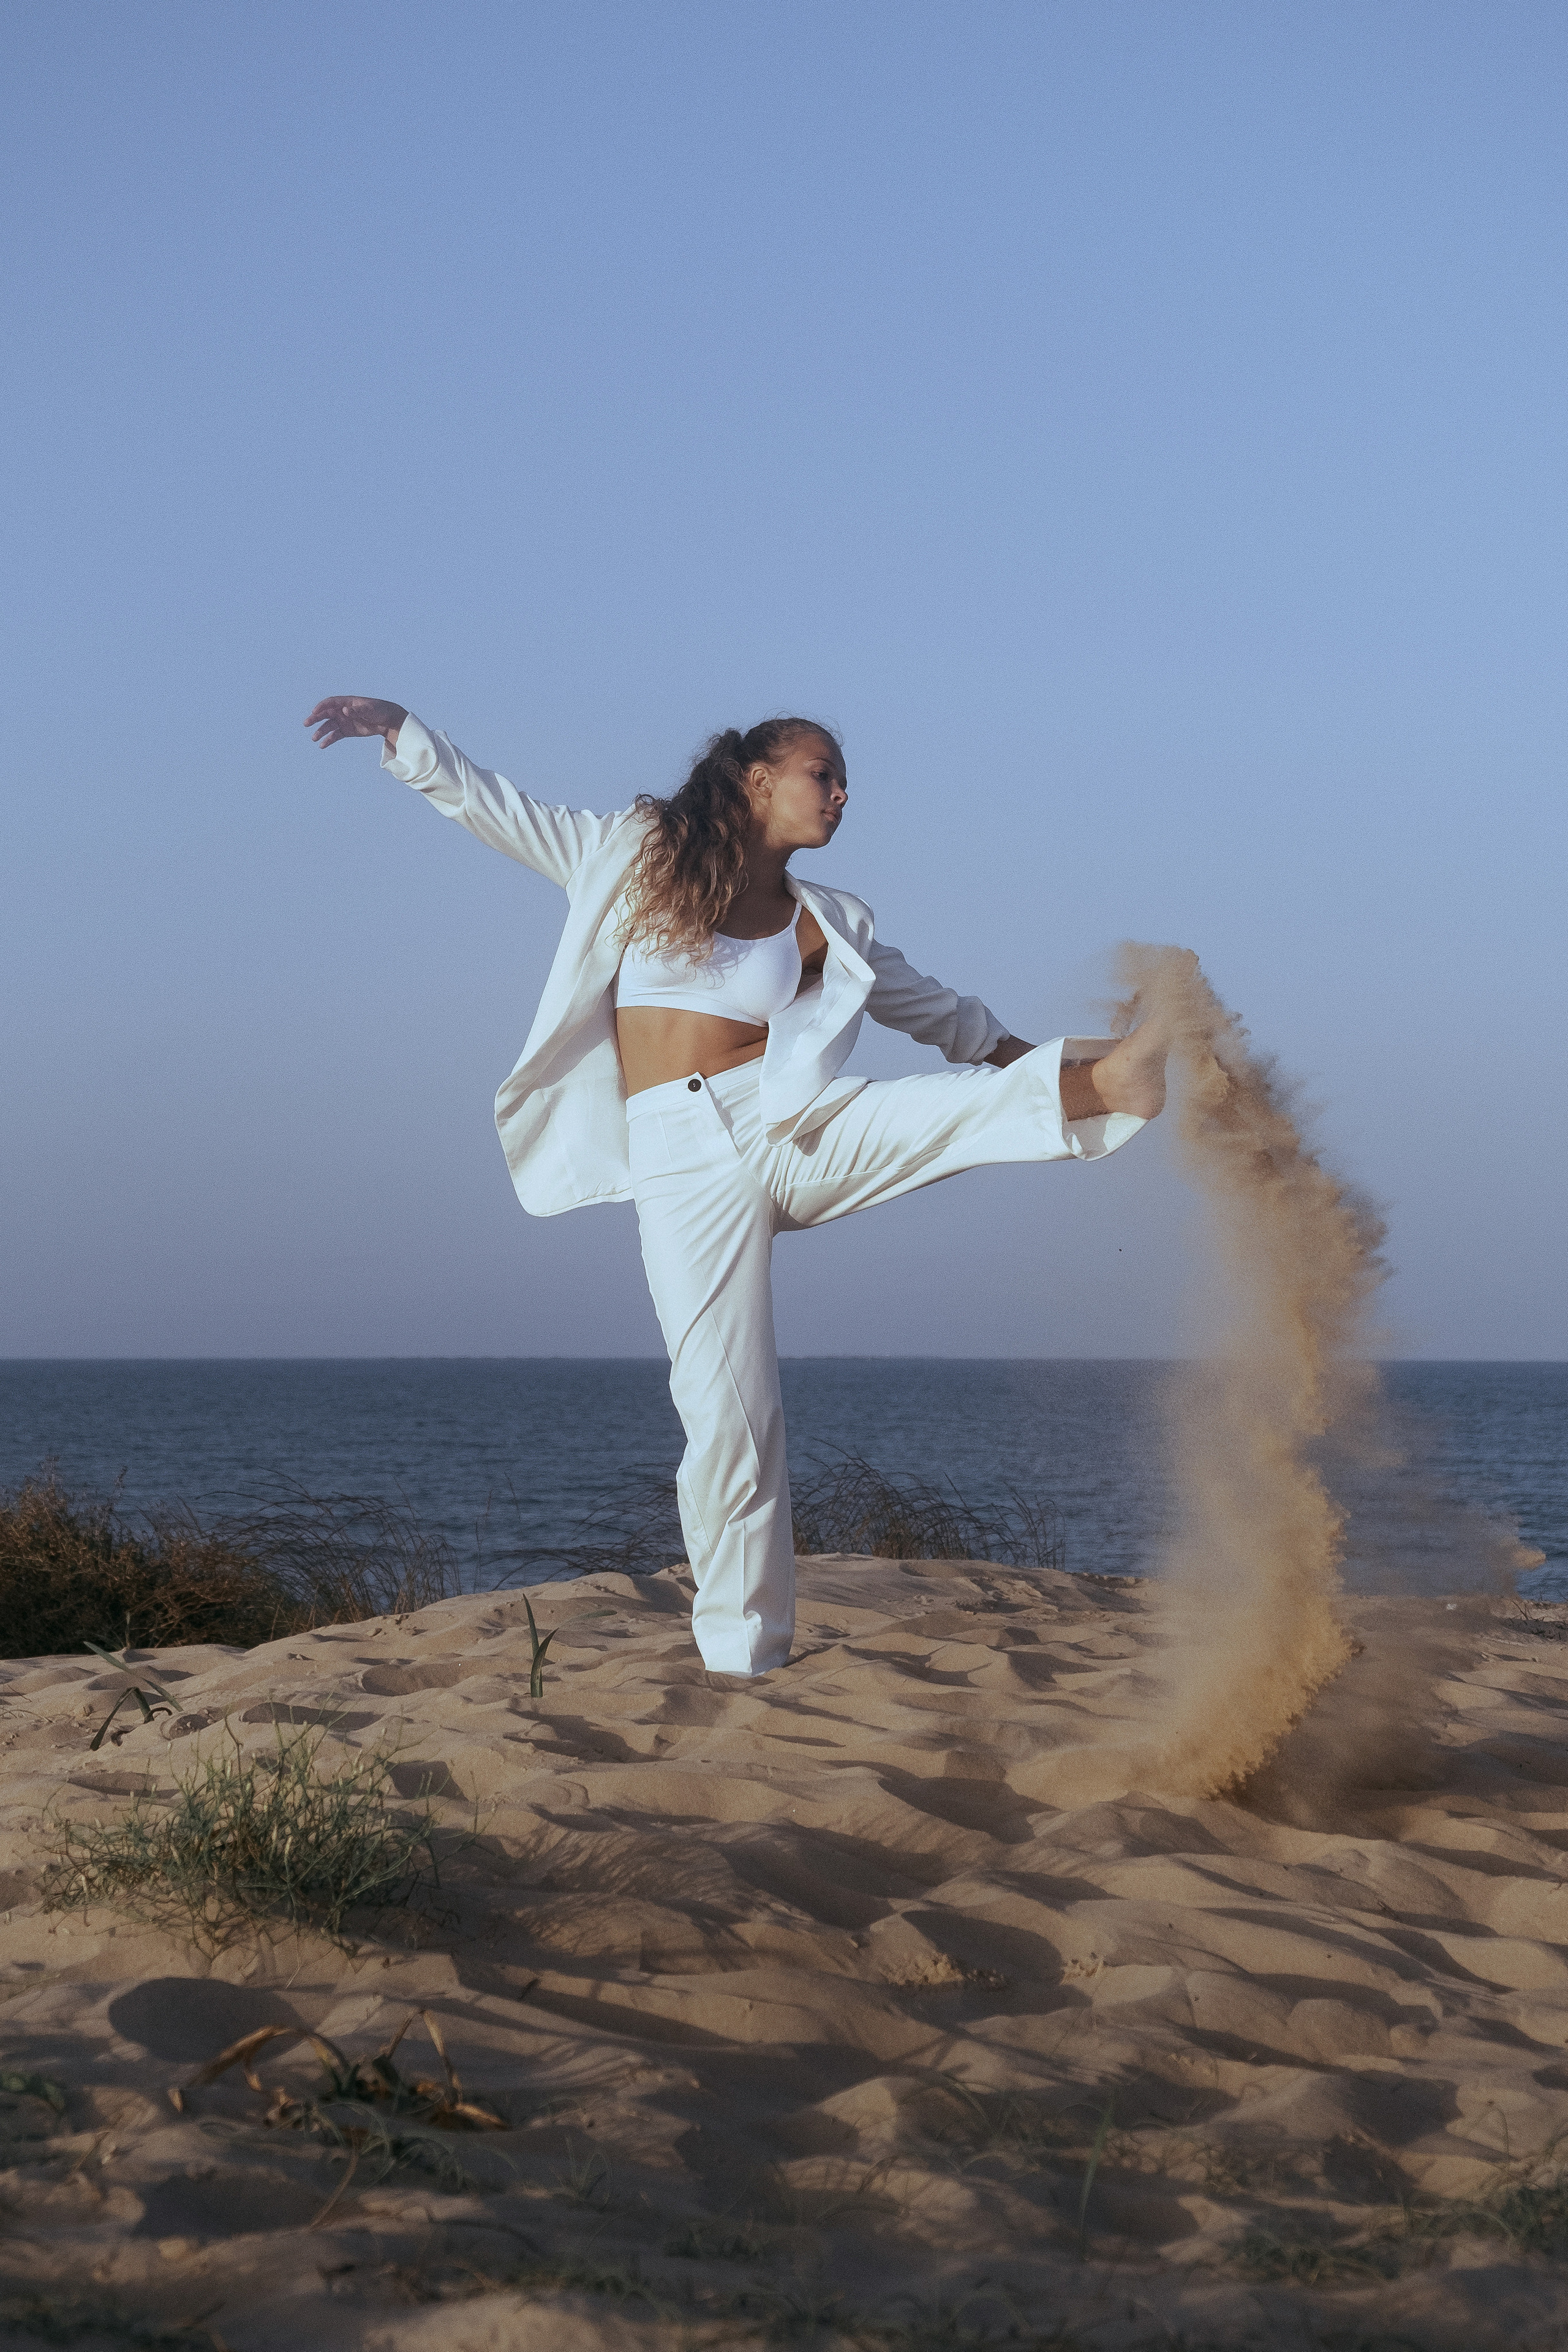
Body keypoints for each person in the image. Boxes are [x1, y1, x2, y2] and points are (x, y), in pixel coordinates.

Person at [306, 695, 1168, 1676]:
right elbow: (502, 810)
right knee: (730, 1416)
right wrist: (404, 734)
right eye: (823, 774)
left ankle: (1102, 1081)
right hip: (681, 1154)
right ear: (758, 778)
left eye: (845, 783)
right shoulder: (636, 855)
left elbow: (941, 1015)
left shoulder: (827, 922)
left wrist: (1033, 1057)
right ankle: (744, 1658)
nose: (841, 796)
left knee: (932, 1111)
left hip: (786, 1122)